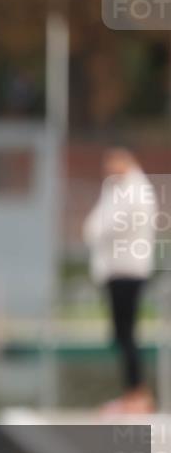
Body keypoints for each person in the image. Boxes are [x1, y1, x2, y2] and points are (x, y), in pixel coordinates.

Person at [83, 148, 157, 414]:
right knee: (121, 334)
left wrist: (94, 229)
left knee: (127, 334)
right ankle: (132, 393)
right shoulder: (117, 189)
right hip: (116, 270)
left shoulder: (135, 191)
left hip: (129, 270)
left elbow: (110, 224)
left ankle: (137, 394)